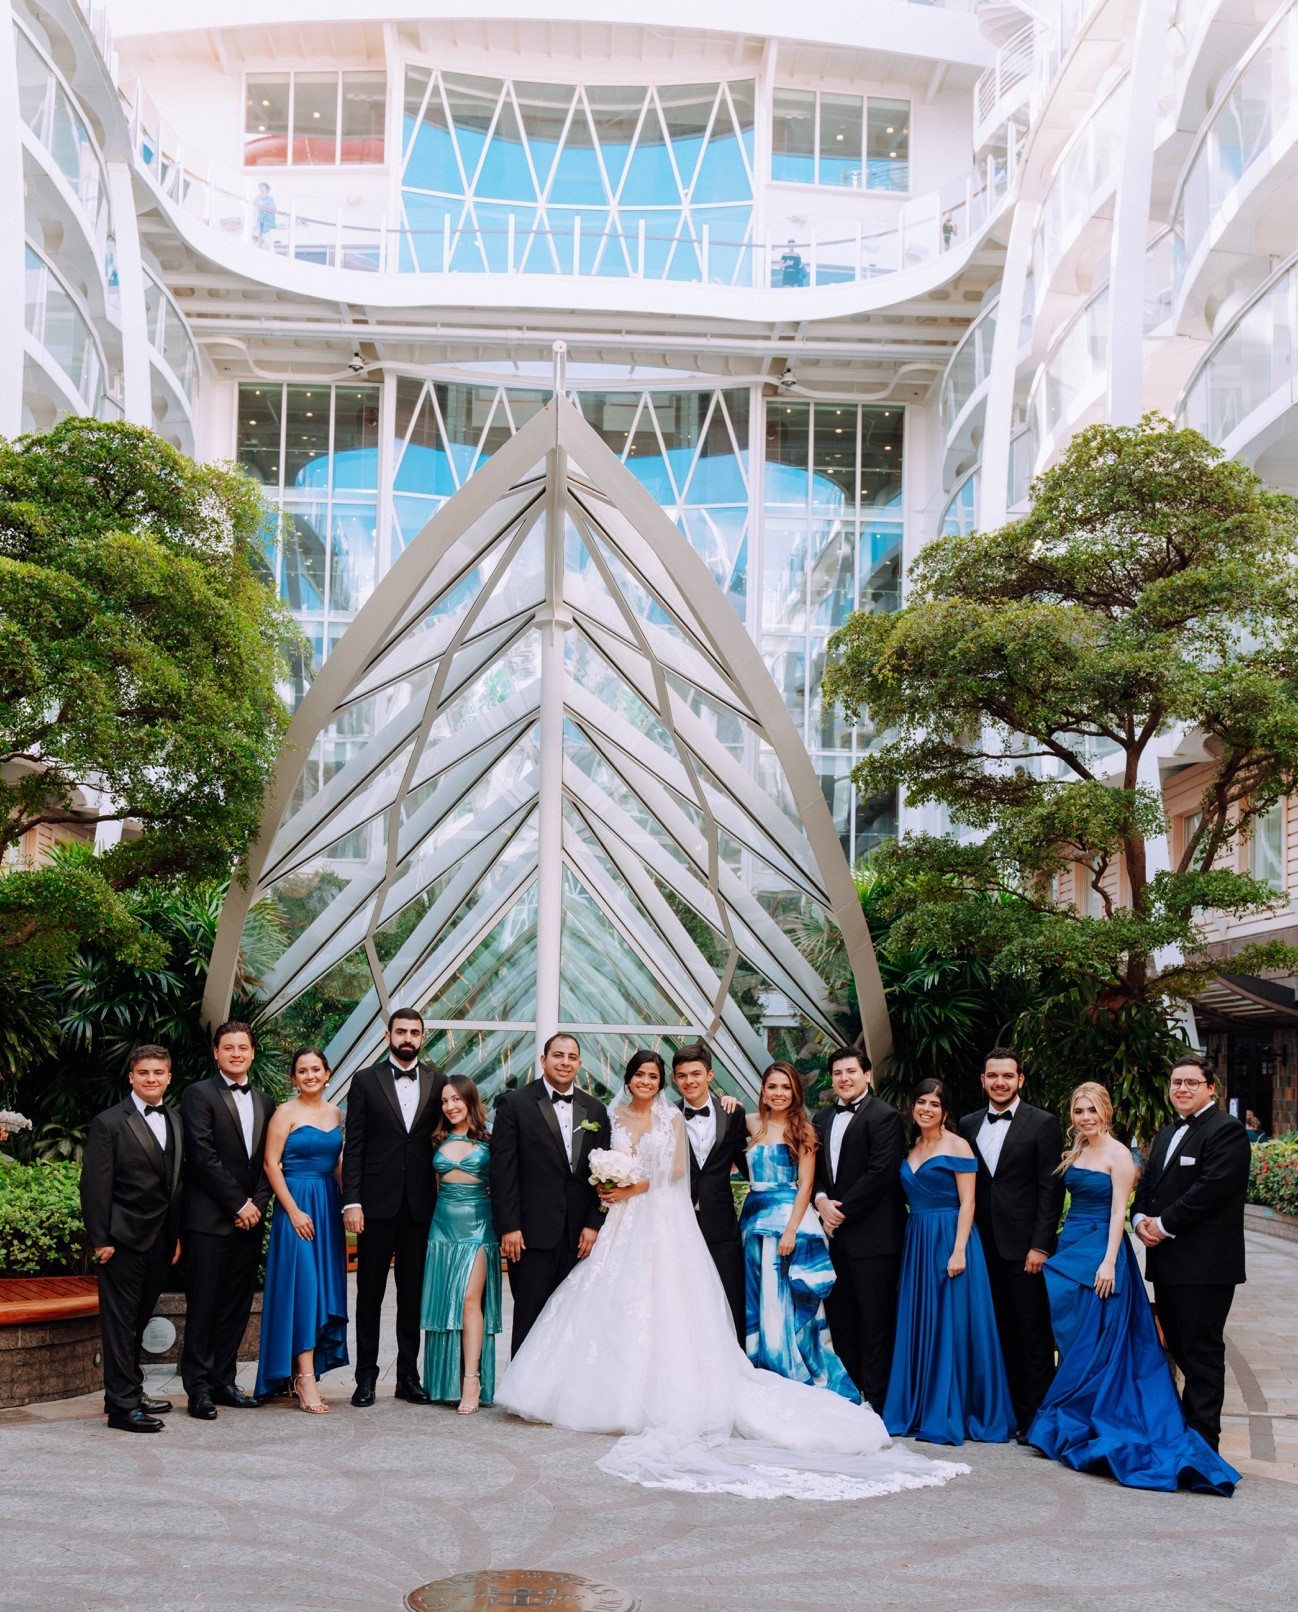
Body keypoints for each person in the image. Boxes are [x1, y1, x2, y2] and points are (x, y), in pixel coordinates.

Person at [496, 1051, 968, 1500]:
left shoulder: (710, 1118)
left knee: (740, 1309)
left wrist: (633, 1184)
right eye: (649, 1076)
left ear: (703, 1076)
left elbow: (681, 1174)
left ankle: (830, 1383)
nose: (654, 1083)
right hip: (640, 1221)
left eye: (661, 1076)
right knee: (619, 1302)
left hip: (709, 1221)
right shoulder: (623, 1116)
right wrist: (608, 1185)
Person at [1029, 1082, 1239, 1493]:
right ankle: (1083, 1412)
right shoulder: (1076, 1152)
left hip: (1101, 1255)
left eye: (1091, 1110)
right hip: (1072, 1246)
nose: (1085, 1117)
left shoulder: (1119, 1155)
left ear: (1106, 1112)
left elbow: (1117, 1214)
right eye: (1078, 1111)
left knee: (1103, 1344)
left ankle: (1105, 1419)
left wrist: (1108, 1262)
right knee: (1074, 1336)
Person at [883, 1078, 1014, 1446]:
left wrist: (958, 1249)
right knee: (921, 1320)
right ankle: (921, 1406)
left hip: (950, 1238)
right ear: (913, 1106)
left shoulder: (958, 1145)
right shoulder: (909, 1149)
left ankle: (956, 1407)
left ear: (945, 1111)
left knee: (952, 1323)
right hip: (918, 1239)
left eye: (935, 1104)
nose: (926, 1109)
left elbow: (968, 1202)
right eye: (921, 1101)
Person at [1132, 1053, 1251, 1453]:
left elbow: (1211, 1190)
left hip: (1206, 1266)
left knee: (1200, 1353)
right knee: (1179, 1347)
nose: (1181, 1089)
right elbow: (1147, 1184)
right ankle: (1183, 1434)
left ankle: (1203, 1444)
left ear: (1210, 1087)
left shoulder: (1227, 1131)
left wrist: (1162, 1226)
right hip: (1167, 1265)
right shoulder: (1166, 1133)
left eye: (1191, 1083)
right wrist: (1139, 1220)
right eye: (1176, 1083)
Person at [958, 1046, 1064, 1440]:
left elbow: (1049, 1189)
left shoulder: (1043, 1123)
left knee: (1031, 1334)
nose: (999, 1082)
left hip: (1024, 1249)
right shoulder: (967, 1124)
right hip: (979, 1247)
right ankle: (999, 1413)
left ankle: (1036, 1419)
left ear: (1020, 1080)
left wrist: (1041, 1245)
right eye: (993, 1076)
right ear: (982, 1080)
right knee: (993, 1331)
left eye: (1007, 1076)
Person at [342, 1007, 446, 1408]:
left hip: (421, 1207)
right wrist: (352, 1201)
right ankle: (365, 1378)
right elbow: (355, 1146)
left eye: (414, 1032)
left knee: (412, 1295)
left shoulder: (439, 1081)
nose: (407, 1037)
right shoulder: (366, 1080)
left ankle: (408, 1376)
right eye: (401, 1031)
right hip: (374, 1206)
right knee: (369, 1294)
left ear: (423, 1036)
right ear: (388, 1035)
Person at [79, 1045, 184, 1433]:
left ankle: (126, 1391)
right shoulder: (108, 1122)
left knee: (137, 1321)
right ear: (131, 1077)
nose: (151, 1078)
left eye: (158, 1072)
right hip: (121, 1239)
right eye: (144, 1073)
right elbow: (94, 1186)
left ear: (168, 1077)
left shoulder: (174, 1119)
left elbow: (176, 1184)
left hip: (161, 1240)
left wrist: (175, 1237)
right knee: (120, 1323)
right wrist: (101, 1239)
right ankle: (122, 1409)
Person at [489, 1032, 611, 1355]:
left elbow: (603, 1174)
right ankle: (521, 1395)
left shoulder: (596, 1110)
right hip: (530, 1233)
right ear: (543, 1060)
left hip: (578, 1235)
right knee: (530, 1315)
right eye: (558, 1055)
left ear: (580, 1064)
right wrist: (509, 1227)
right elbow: (503, 1171)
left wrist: (593, 1224)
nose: (565, 1062)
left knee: (572, 1318)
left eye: (572, 1057)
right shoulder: (514, 1104)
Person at [740, 1061, 856, 1399]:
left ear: (795, 1093)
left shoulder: (804, 1130)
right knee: (757, 1299)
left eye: (785, 1088)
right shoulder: (749, 1123)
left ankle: (792, 1373)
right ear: (763, 1089)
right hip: (753, 1223)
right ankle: (761, 1372)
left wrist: (791, 1231)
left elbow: (805, 1186)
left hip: (788, 1224)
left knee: (787, 1300)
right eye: (772, 1086)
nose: (778, 1093)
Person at [180, 1020, 276, 1421]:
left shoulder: (267, 1102)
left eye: (242, 1047)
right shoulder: (198, 1094)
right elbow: (202, 1156)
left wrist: (256, 1203)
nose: (236, 1054)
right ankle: (198, 1388)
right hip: (210, 1220)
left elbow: (270, 1162)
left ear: (252, 1053)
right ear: (216, 1053)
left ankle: (224, 1380)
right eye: (228, 1048)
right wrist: (239, 1205)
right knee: (203, 1304)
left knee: (236, 1307)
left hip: (249, 1222)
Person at [811, 1048, 906, 1412]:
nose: (844, 1078)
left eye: (851, 1071)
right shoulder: (820, 1117)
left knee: (876, 1320)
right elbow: (814, 1170)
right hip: (833, 1240)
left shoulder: (886, 1116)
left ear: (867, 1074)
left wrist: (840, 1213)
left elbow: (880, 1173)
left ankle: (879, 1401)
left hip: (873, 1238)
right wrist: (821, 1201)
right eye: (837, 1073)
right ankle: (848, 1396)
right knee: (842, 1319)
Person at [254, 1048, 348, 1413]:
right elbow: (270, 1164)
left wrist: (347, 1204)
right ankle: (306, 1379)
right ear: (293, 1078)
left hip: (327, 1205)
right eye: (302, 1071)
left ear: (327, 1074)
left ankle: (298, 1374)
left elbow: (338, 1164)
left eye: (316, 1070)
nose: (310, 1076)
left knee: (322, 1288)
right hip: (297, 1206)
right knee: (304, 1289)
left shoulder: (336, 1112)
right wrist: (292, 1210)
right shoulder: (285, 1113)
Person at [420, 1075, 500, 1413]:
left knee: (470, 1300)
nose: (450, 1106)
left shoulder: (490, 1139)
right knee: (446, 1303)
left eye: (456, 1099)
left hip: (478, 1227)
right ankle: (443, 1380)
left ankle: (472, 1379)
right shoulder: (435, 1139)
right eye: (444, 1101)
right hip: (442, 1228)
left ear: (470, 1101)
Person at [672, 1041, 748, 1342]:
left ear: (710, 1075)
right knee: (682, 1296)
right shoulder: (667, 1116)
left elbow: (747, 1156)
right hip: (678, 1219)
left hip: (721, 1220)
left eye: (695, 1073)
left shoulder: (732, 1113)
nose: (689, 1081)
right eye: (682, 1075)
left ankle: (735, 1359)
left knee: (728, 1294)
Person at [251, 182, 278, 248]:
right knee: (255, 233)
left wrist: (263, 207)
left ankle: (258, 245)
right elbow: (253, 206)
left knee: (264, 236)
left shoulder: (269, 198)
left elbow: (272, 209)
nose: (261, 189)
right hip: (257, 218)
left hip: (265, 219)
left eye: (263, 187)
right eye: (260, 187)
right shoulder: (257, 197)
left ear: (267, 189)